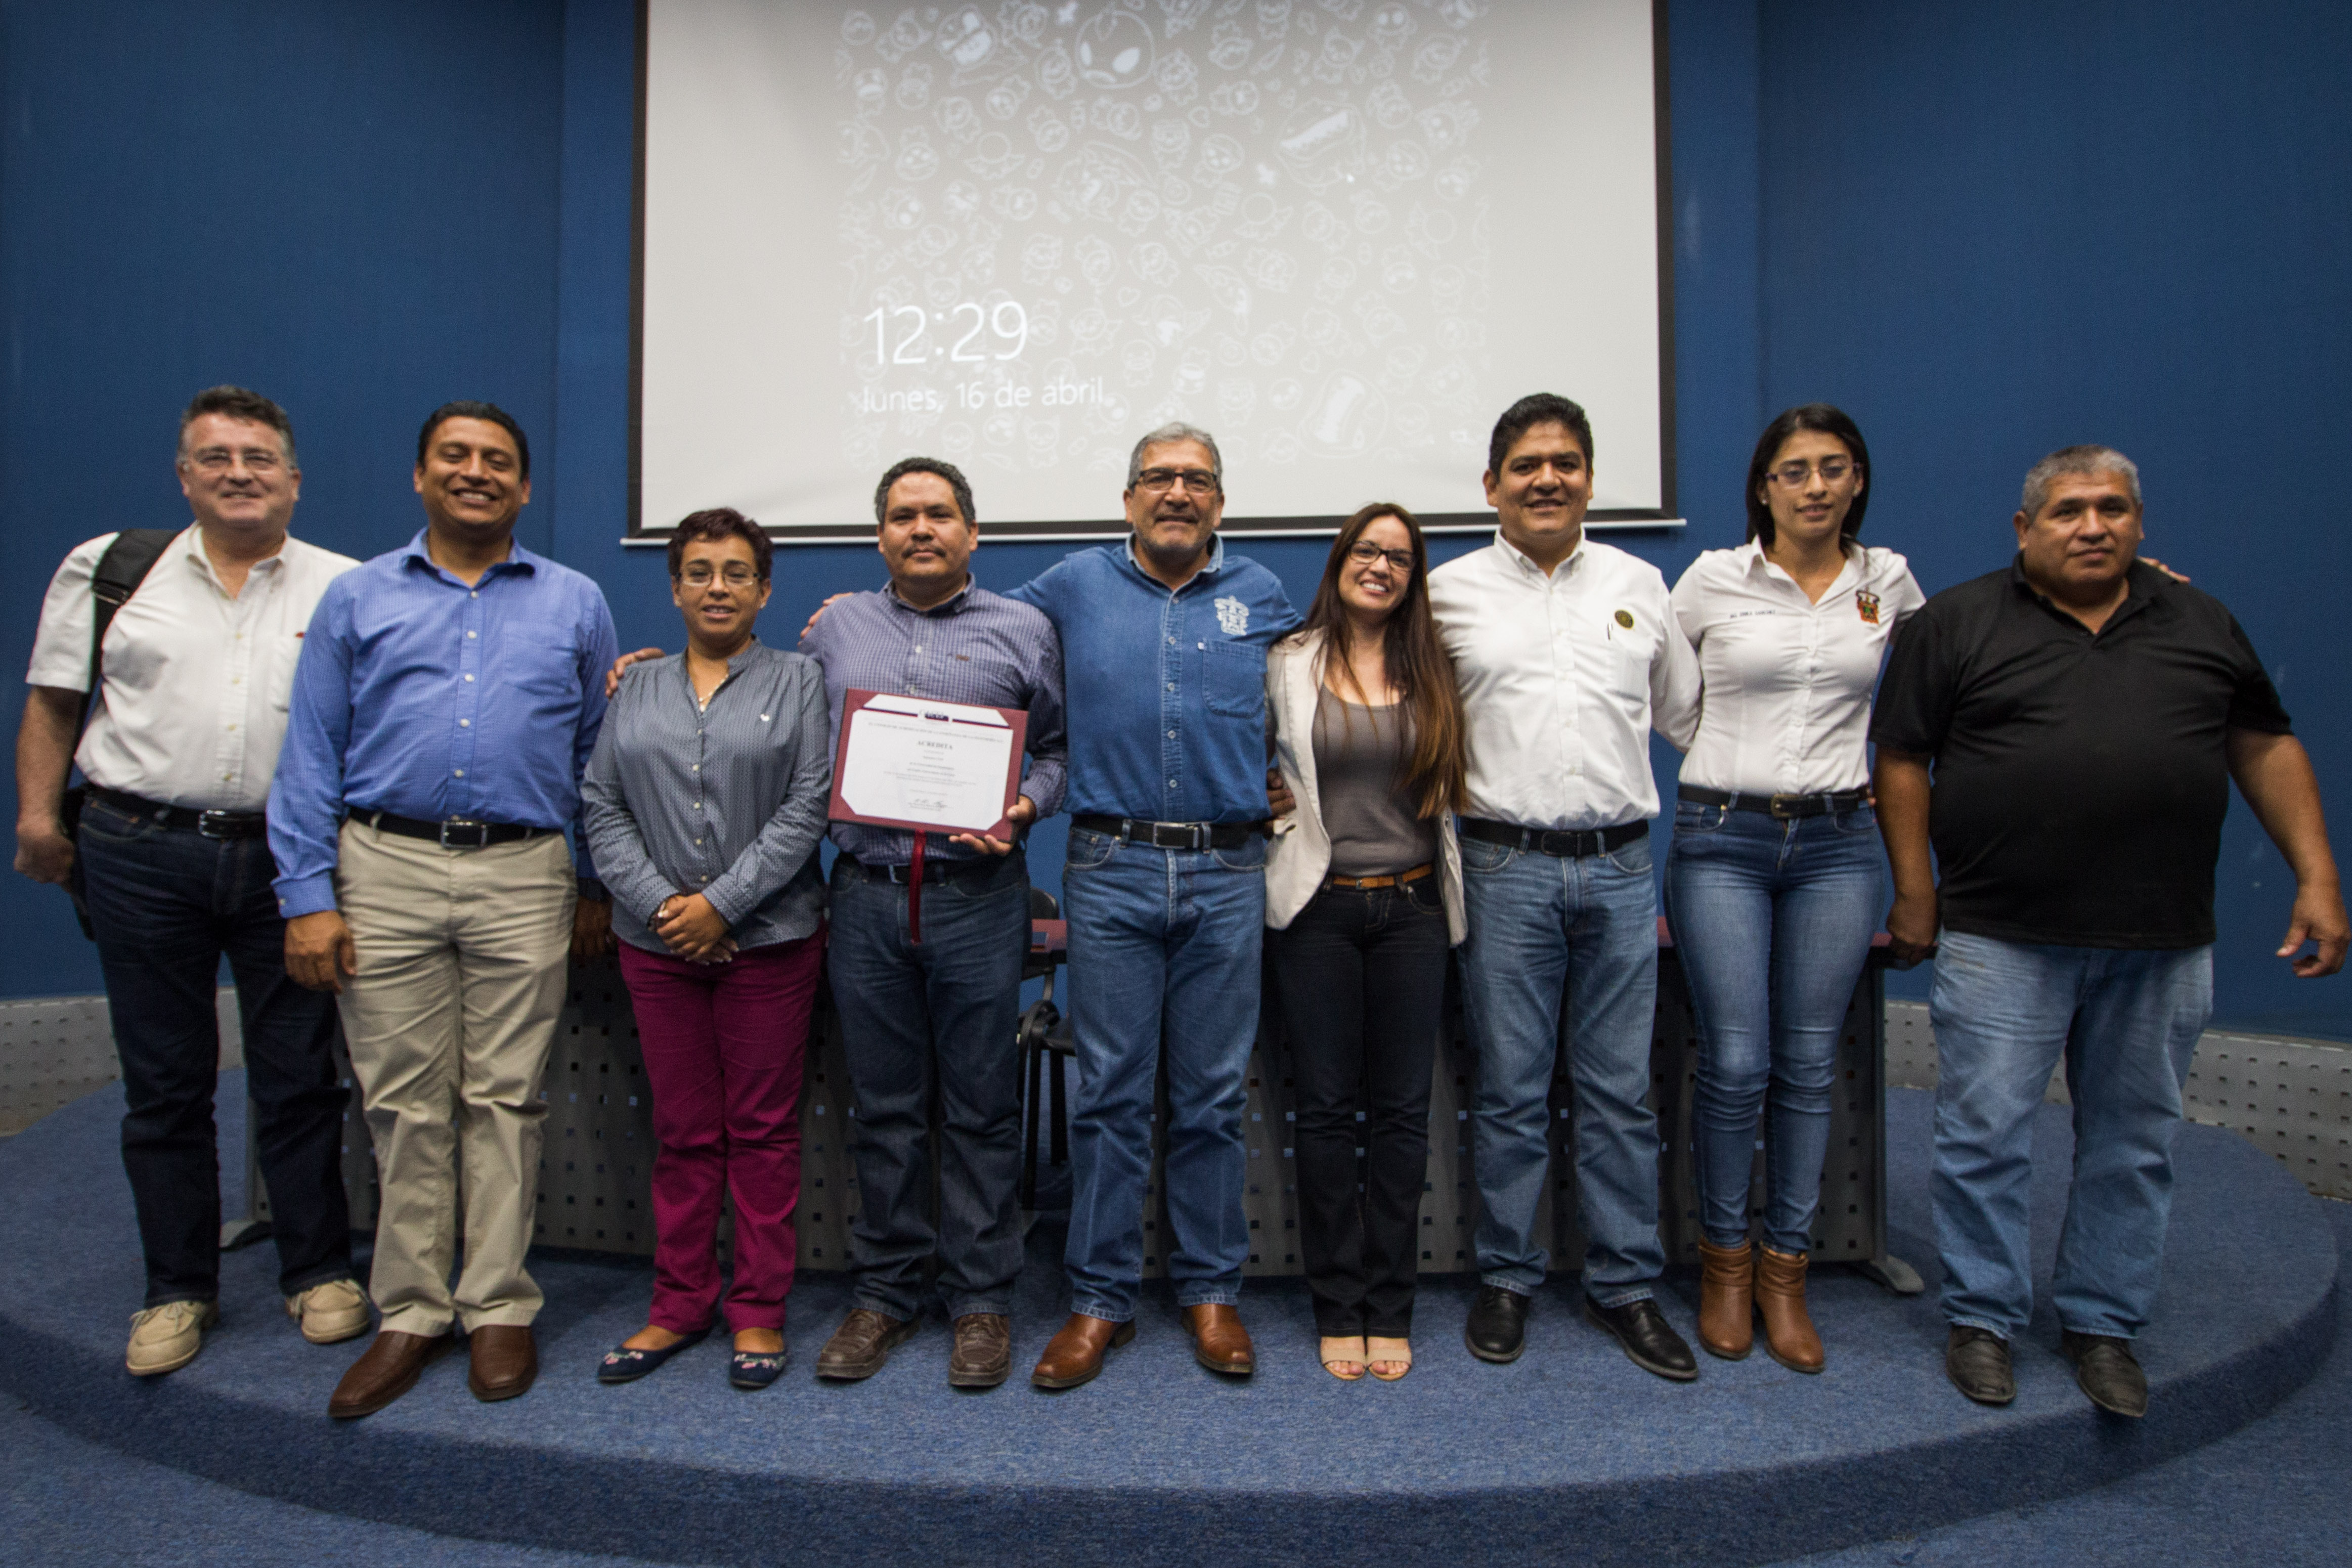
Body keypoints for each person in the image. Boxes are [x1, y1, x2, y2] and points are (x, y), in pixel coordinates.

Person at [1871, 445, 2346, 1417]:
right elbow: (1903, 758)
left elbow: (2261, 741)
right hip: (2001, 932)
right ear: (2024, 528)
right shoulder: (1954, 622)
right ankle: (1984, 1319)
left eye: (2112, 509)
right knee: (1984, 1135)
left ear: (2138, 523)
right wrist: (1915, 891)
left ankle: (2101, 1322)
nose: (2092, 526)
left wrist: (2316, 876)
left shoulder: (2200, 621)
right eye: (2068, 511)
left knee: (2133, 1142)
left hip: (2160, 937)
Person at [271, 401, 620, 1419]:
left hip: (525, 870)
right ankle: (413, 1310)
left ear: (523, 486)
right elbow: (308, 753)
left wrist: (594, 881)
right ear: (421, 475)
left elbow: (598, 756)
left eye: (498, 461)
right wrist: (306, 895)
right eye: (455, 457)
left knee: (506, 1096)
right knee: (402, 1099)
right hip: (383, 865)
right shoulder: (356, 598)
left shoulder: (575, 601)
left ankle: (499, 1300)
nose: (476, 472)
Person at [15, 386, 365, 1377]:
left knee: (299, 1071)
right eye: (217, 457)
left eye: (260, 457)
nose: (239, 472)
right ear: (184, 474)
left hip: (284, 858)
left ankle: (317, 1270)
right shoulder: (110, 571)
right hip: (137, 848)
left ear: (295, 479)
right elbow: (52, 703)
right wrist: (40, 816)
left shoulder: (345, 587)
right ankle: (177, 1288)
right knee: (163, 1080)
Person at [1013, 424, 1301, 1389]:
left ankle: (1210, 1291)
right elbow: (970, 640)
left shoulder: (1259, 596)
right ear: (1128, 497)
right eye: (1159, 479)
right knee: (1108, 1098)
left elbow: (1313, 700)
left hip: (1226, 874)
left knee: (1213, 1098)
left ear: (1220, 501)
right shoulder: (1069, 587)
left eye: (1197, 481)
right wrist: (862, 613)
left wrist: (1286, 776)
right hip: (1112, 868)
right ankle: (1099, 1303)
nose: (1177, 493)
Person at [1426, 393, 1703, 1379]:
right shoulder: (1447, 592)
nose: (1549, 478)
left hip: (1623, 868)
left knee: (1619, 1089)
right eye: (1529, 464)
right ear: (1492, 484)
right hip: (1504, 867)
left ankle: (1627, 1285)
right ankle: (1507, 1276)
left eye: (1568, 462)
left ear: (1590, 478)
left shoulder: (1640, 582)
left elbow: (1686, 715)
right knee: (1508, 1088)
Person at [1663, 405, 1924, 1372]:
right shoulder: (1711, 580)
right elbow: (1656, 684)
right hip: (1721, 837)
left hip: (1839, 845)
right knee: (1735, 1061)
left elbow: (1960, 665)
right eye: (1793, 471)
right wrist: (1725, 756)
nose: (1813, 486)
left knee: (1809, 1063)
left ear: (1857, 480)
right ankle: (1725, 1265)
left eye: (1832, 468)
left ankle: (1786, 1269)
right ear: (1762, 487)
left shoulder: (1887, 581)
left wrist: (2141, 585)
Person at [798, 458, 1067, 1390]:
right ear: (879, 536)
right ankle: (885, 1293)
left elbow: (1059, 754)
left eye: (940, 514)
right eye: (904, 516)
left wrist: (1023, 807)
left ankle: (982, 1301)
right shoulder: (836, 628)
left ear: (971, 533)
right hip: (865, 893)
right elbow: (793, 728)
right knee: (885, 1111)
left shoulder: (1024, 629)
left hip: (977, 900)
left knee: (984, 1111)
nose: (923, 529)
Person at [581, 509, 831, 1391]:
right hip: (656, 948)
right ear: (675, 586)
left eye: (735, 572)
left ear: (764, 590)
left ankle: (757, 1311)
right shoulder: (635, 686)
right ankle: (679, 1304)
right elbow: (602, 806)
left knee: (762, 1135)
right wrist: (662, 907)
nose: (716, 587)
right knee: (685, 1135)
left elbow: (809, 807)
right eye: (697, 571)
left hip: (770, 943)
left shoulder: (802, 680)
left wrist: (721, 907)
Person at [1264, 503, 1466, 1383]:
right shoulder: (1285, 662)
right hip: (1318, 911)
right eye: (1365, 550)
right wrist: (1264, 799)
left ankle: (1391, 1304)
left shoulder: (1438, 669)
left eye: (1399, 556)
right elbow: (1239, 756)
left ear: (1414, 576)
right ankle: (1336, 1303)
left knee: (1400, 1115)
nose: (1380, 565)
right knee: (1326, 1111)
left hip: (1415, 912)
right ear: (1339, 560)